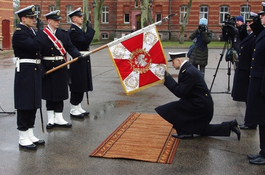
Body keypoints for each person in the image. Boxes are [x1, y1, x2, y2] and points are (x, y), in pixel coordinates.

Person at [155, 52, 241, 140]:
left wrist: (167, 78)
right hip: (199, 103)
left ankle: (185, 132)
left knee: (170, 109)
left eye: (173, 62)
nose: (172, 65)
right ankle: (230, 126)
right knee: (201, 130)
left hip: (200, 106)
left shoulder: (188, 72)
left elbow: (180, 92)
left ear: (179, 61)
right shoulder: (187, 69)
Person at [36, 10, 81, 129]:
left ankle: (59, 117)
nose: (58, 22)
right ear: (49, 21)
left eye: (59, 20)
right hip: (47, 67)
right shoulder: (41, 34)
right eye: (56, 20)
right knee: (49, 93)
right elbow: (38, 53)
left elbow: (70, 47)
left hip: (60, 66)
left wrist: (78, 55)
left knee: (59, 92)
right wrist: (41, 68)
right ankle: (51, 118)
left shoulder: (63, 33)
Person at [12, 5, 45, 150]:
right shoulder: (19, 33)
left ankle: (30, 133)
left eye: (34, 17)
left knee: (33, 102)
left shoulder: (30, 31)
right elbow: (36, 46)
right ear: (23, 19)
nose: (34, 20)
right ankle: (22, 136)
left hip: (34, 70)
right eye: (31, 18)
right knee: (25, 103)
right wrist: (40, 32)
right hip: (25, 71)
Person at [232, 12, 264, 130]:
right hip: (248, 70)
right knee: (248, 98)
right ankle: (250, 121)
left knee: (251, 100)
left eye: (251, 22)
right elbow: (244, 37)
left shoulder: (258, 35)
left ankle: (250, 122)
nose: (249, 24)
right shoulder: (254, 34)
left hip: (252, 71)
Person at [245, 2, 265, 165]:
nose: (261, 18)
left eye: (263, 15)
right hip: (258, 80)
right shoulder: (263, 33)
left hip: (262, 83)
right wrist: (257, 19)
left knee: (264, 120)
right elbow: (256, 28)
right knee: (261, 119)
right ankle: (262, 151)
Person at [68, 7, 95, 119]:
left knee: (83, 83)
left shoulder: (78, 29)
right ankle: (74, 107)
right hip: (77, 60)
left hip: (84, 59)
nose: (81, 18)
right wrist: (90, 30)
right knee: (77, 84)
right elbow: (85, 41)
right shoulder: (73, 31)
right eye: (79, 16)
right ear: (74, 19)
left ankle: (78, 106)